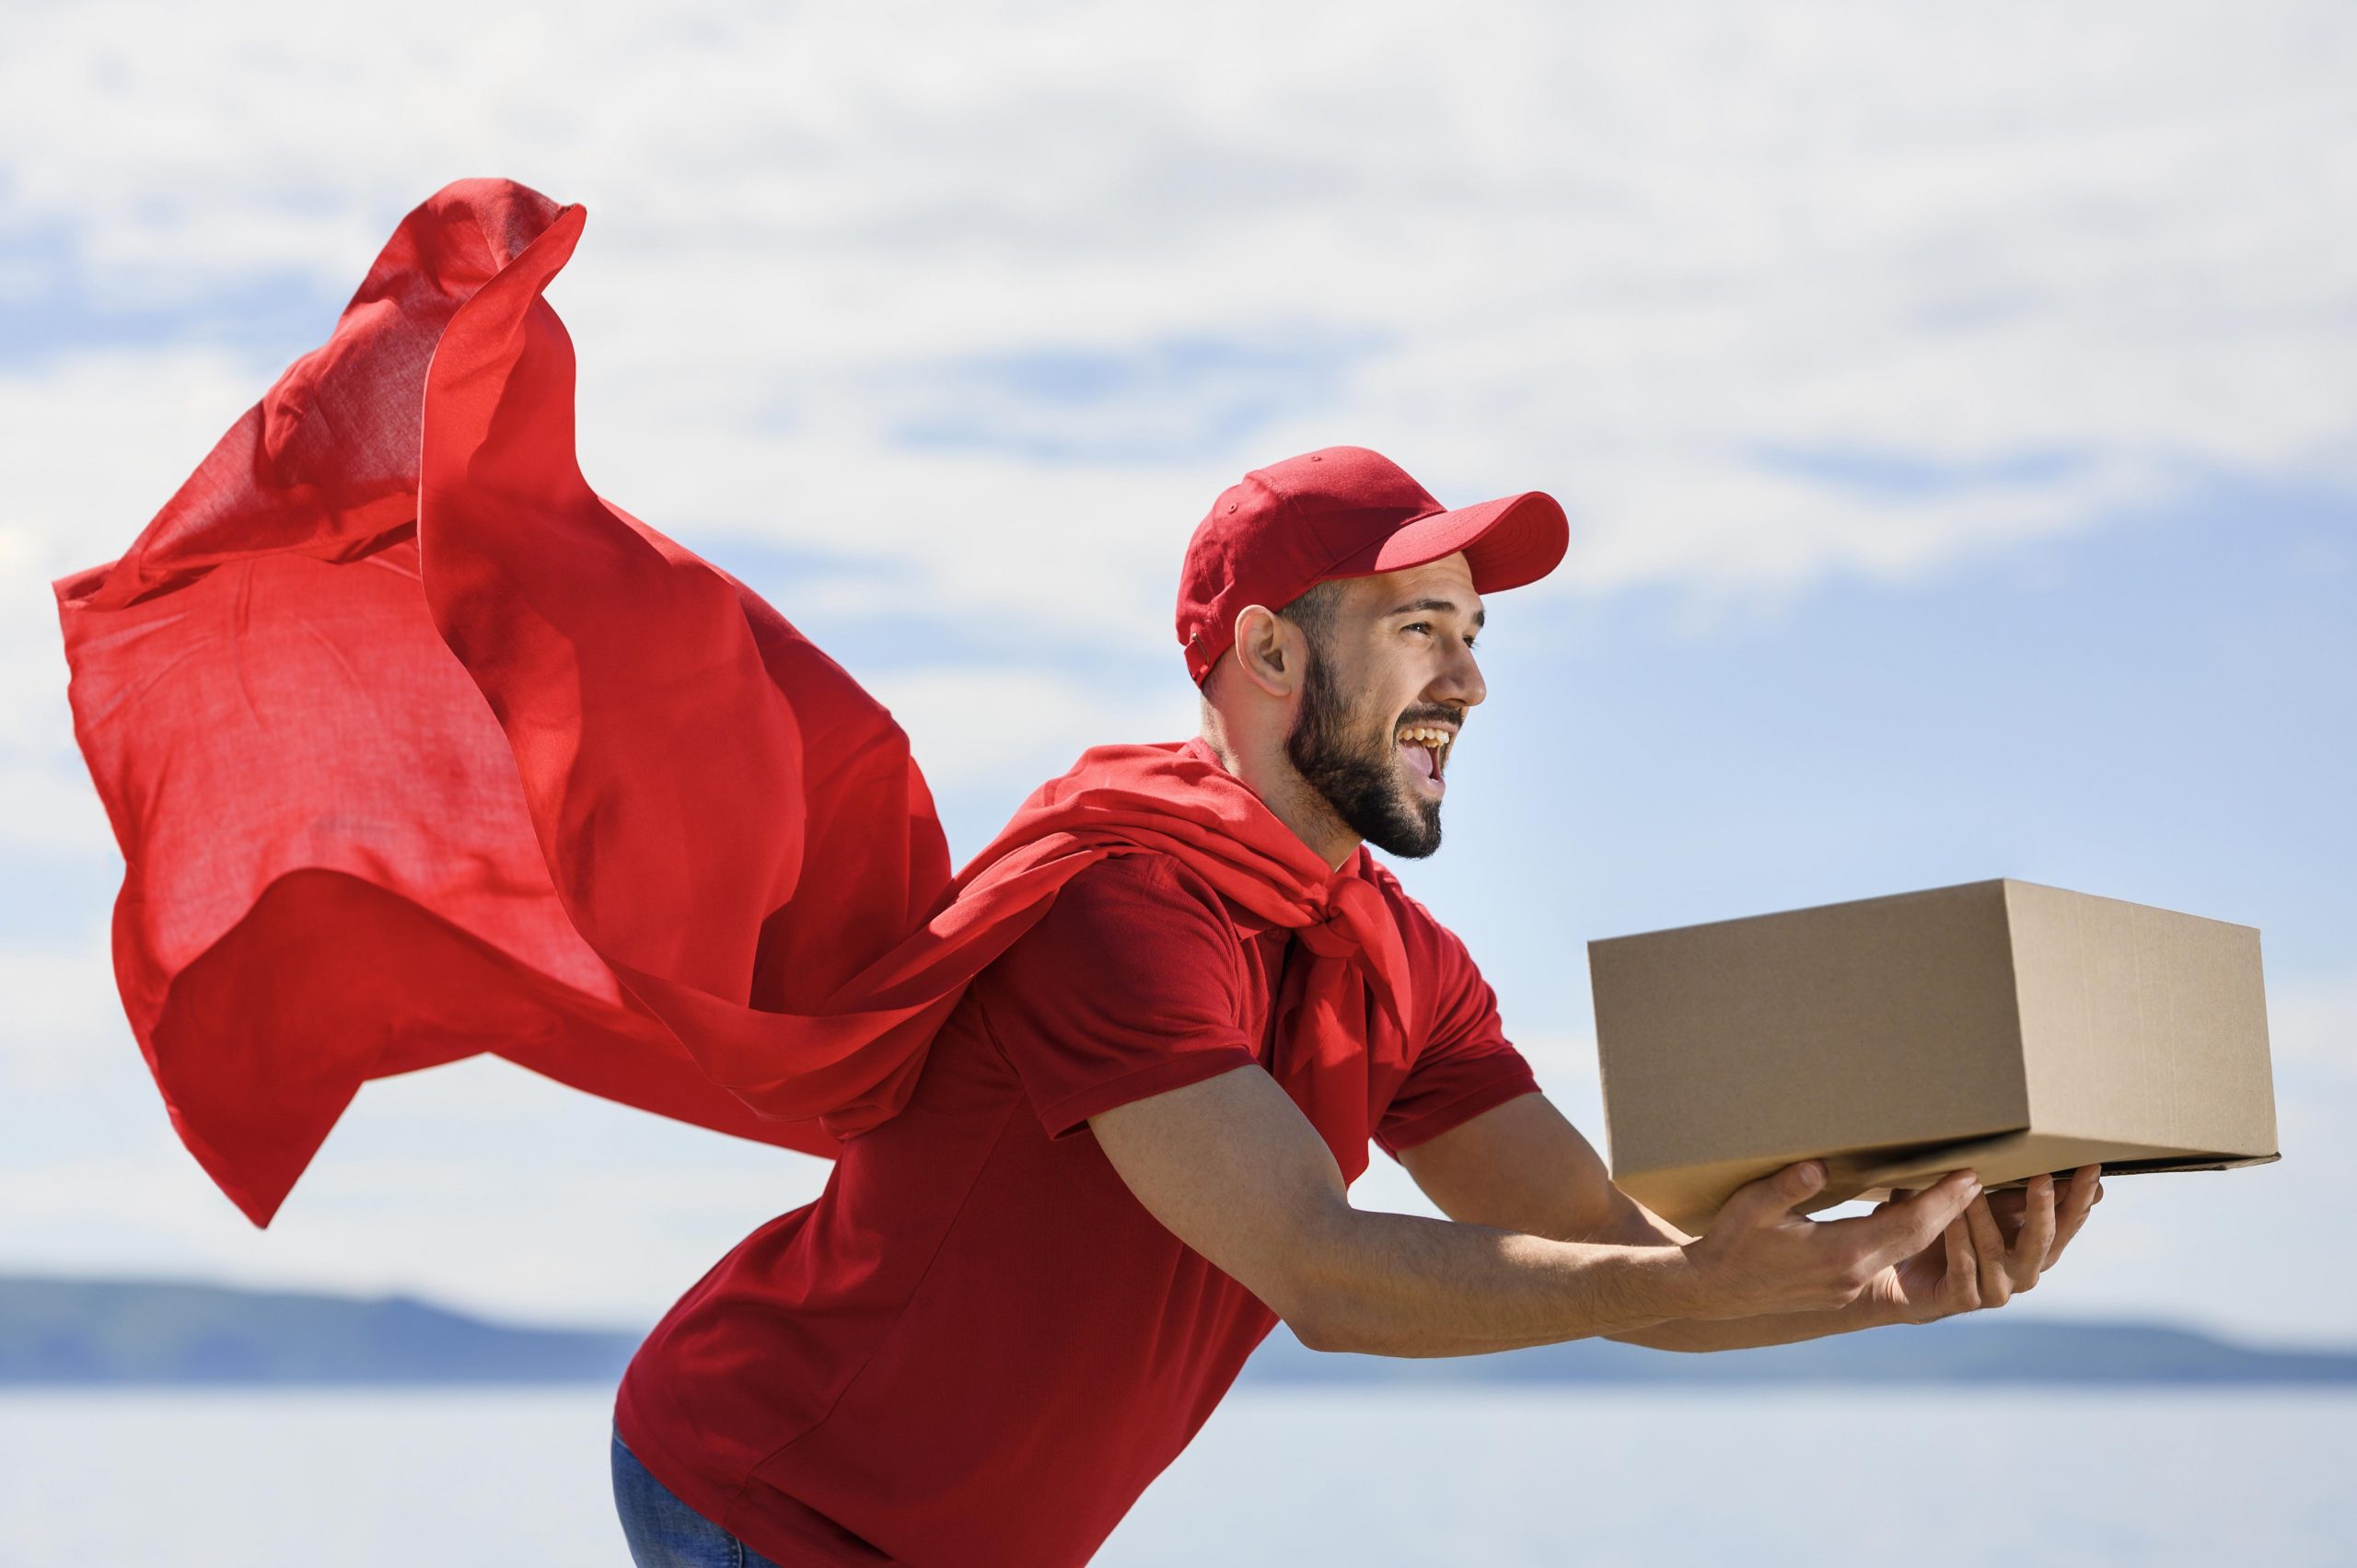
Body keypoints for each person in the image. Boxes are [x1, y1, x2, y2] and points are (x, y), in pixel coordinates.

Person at [607, 446, 2105, 1568]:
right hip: (768, 1491)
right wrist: (1698, 1283)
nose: (1470, 682)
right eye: (1419, 629)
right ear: (1270, 653)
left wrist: (1873, 1283)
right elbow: (1320, 1272)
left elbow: (1617, 1254)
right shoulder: (1118, 909)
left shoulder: (1401, 961)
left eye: (1473, 634)